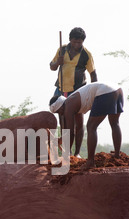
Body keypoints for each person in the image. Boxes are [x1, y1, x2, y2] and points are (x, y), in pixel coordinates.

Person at [49, 81, 123, 169]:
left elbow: (71, 133)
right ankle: (117, 155)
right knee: (115, 123)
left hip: (105, 93)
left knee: (91, 127)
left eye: (58, 112)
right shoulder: (73, 102)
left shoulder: (68, 106)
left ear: (60, 107)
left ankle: (90, 162)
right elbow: (78, 128)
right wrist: (62, 139)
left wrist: (66, 154)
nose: (61, 115)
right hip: (117, 90)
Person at [49, 27, 97, 157]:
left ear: (82, 42)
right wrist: (57, 63)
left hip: (77, 92)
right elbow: (52, 67)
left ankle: (76, 153)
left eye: (79, 43)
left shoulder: (86, 54)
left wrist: (93, 94)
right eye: (75, 42)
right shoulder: (62, 49)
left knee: (78, 122)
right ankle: (67, 151)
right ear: (70, 40)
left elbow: (93, 74)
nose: (77, 45)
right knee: (64, 122)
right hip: (61, 90)